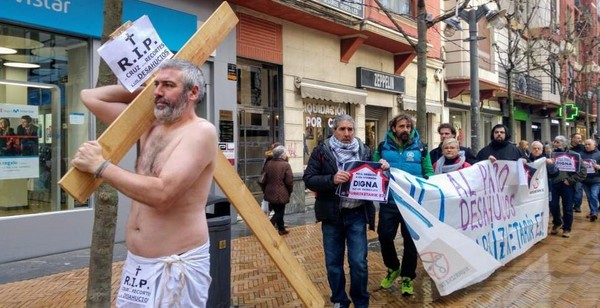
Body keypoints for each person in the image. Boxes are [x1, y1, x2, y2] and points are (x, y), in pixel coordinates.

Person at [71, 59, 215, 307]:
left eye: (168, 85)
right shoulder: (149, 124)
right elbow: (90, 97)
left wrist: (101, 167)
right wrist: (145, 89)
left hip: (176, 262)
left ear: (193, 93)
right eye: (156, 85)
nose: (159, 92)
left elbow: (163, 194)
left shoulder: (200, 132)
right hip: (137, 266)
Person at [303, 114, 374, 308]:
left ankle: (361, 301)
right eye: (342, 129)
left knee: (359, 262)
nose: (346, 133)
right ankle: (340, 300)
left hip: (357, 214)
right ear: (334, 130)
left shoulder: (365, 150)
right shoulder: (321, 151)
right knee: (333, 264)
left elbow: (376, 176)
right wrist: (331, 179)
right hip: (332, 215)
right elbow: (309, 179)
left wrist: (383, 168)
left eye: (350, 129)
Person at [374, 114, 434, 296]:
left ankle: (407, 276)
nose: (406, 129)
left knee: (410, 242)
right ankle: (393, 268)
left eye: (408, 126)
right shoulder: (382, 147)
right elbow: (373, 169)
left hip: (412, 204)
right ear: (394, 128)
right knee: (384, 236)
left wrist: (430, 189)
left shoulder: (421, 148)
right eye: (402, 126)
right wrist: (379, 167)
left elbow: (428, 172)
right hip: (389, 202)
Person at [548, 135, 586, 238]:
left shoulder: (575, 155)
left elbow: (583, 172)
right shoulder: (551, 155)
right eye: (554, 142)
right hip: (554, 184)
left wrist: (571, 180)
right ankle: (557, 222)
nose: (555, 144)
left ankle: (567, 228)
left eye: (558, 142)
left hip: (568, 185)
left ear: (564, 143)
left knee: (568, 208)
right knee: (553, 205)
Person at [262, 145, 293, 235]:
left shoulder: (269, 163)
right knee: (280, 212)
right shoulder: (285, 165)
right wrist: (289, 191)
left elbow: (265, 178)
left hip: (269, 191)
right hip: (280, 192)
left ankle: (281, 229)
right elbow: (289, 181)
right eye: (284, 153)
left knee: (277, 210)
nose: (285, 155)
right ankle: (270, 225)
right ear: (281, 155)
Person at [580, 139, 600, 222]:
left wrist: (599, 167)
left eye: (589, 144)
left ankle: (594, 212)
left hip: (596, 179)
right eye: (585, 144)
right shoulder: (581, 154)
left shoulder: (599, 154)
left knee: (593, 195)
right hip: (585, 180)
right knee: (589, 197)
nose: (587, 146)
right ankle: (593, 211)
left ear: (594, 145)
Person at [569, 133, 584, 213]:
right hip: (569, 172)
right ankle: (569, 205)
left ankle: (577, 206)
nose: (579, 140)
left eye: (580, 138)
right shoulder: (567, 147)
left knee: (578, 189)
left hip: (578, 172)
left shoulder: (582, 147)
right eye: (578, 138)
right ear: (572, 138)